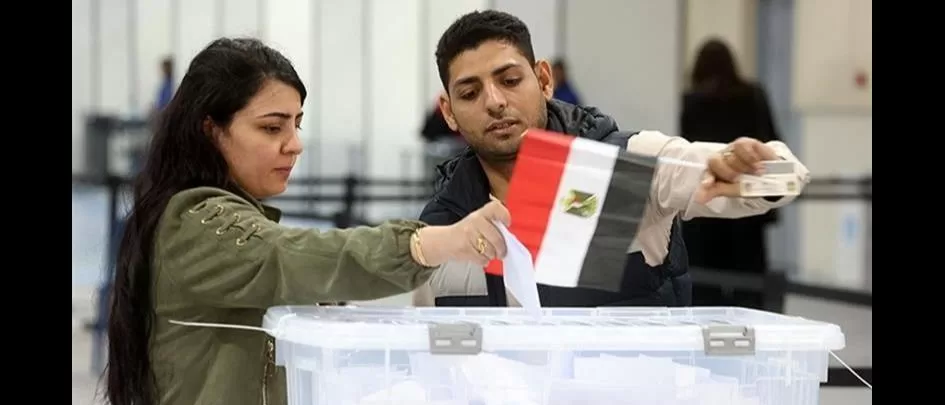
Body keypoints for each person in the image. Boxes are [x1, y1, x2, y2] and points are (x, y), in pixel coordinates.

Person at [104, 37, 511, 405]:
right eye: (271, 127)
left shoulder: (222, 217)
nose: (294, 145)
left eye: (296, 124)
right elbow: (290, 255)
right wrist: (431, 244)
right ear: (211, 131)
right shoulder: (191, 223)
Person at [412, 10, 810, 308]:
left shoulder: (625, 165)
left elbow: (783, 176)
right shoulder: (441, 227)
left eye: (510, 80)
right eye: (470, 93)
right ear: (448, 112)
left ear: (545, 80)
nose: (495, 101)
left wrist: (751, 169)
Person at [681, 38, 784, 309]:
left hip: (707, 209)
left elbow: (691, 154)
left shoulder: (692, 101)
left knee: (705, 293)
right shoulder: (754, 95)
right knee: (750, 290)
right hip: (746, 205)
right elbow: (772, 143)